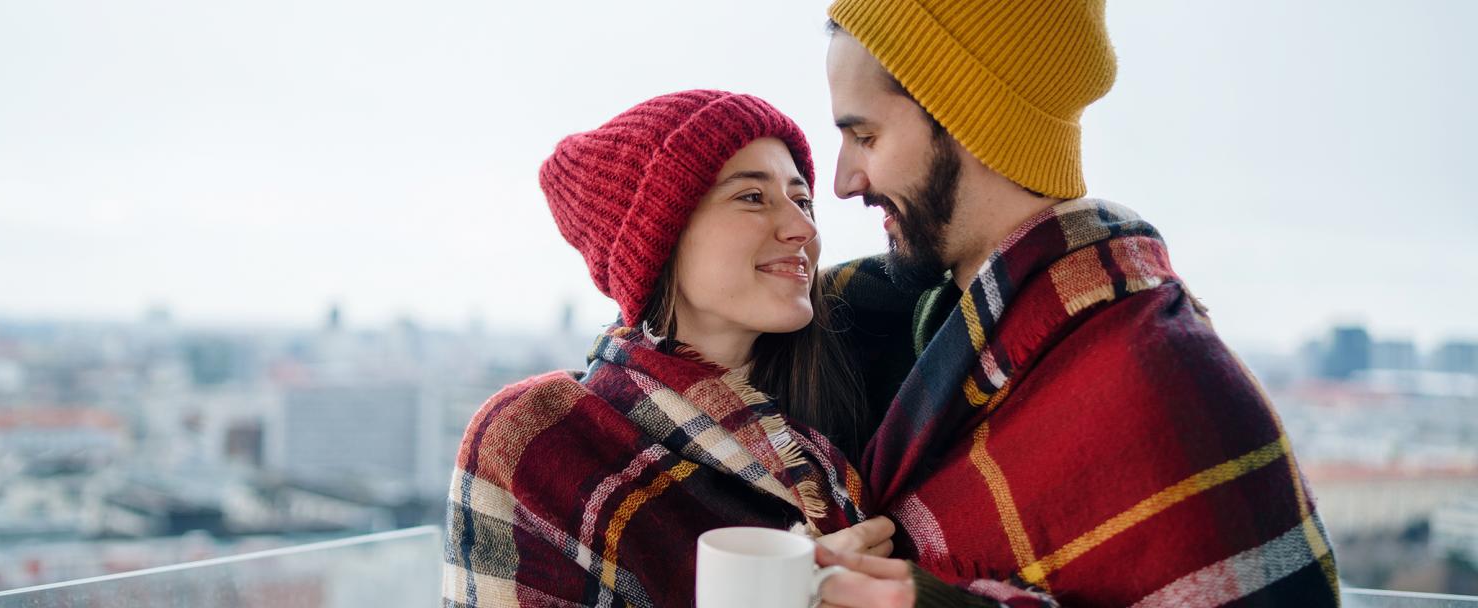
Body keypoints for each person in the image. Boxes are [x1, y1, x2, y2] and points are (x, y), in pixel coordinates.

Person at [811, 0, 1343, 606]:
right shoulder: (868, 320)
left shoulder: (1165, 382)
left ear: (971, 119)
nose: (843, 180)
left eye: (865, 136)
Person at [441, 90, 898, 607]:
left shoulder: (878, 367)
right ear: (662, 233)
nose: (804, 228)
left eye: (803, 199)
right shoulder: (539, 437)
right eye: (752, 197)